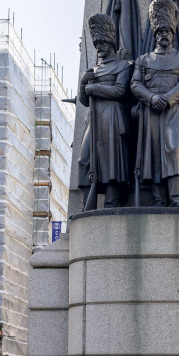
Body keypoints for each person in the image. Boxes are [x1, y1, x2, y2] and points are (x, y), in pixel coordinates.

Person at [131, 0, 179, 207]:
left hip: (174, 110)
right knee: (154, 154)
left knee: (174, 149)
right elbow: (135, 84)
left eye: (167, 31)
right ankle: (158, 200)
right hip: (150, 111)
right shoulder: (143, 60)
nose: (164, 35)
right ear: (155, 34)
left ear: (173, 34)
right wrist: (151, 98)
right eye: (160, 32)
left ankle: (176, 198)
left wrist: (166, 99)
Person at [78, 13, 133, 209]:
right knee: (85, 159)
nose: (99, 46)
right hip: (93, 119)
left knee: (111, 160)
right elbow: (84, 101)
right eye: (96, 43)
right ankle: (87, 204)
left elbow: (120, 91)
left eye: (102, 42)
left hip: (112, 116)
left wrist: (95, 88)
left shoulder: (123, 66)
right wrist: (84, 82)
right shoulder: (92, 71)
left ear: (110, 42)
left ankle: (111, 201)